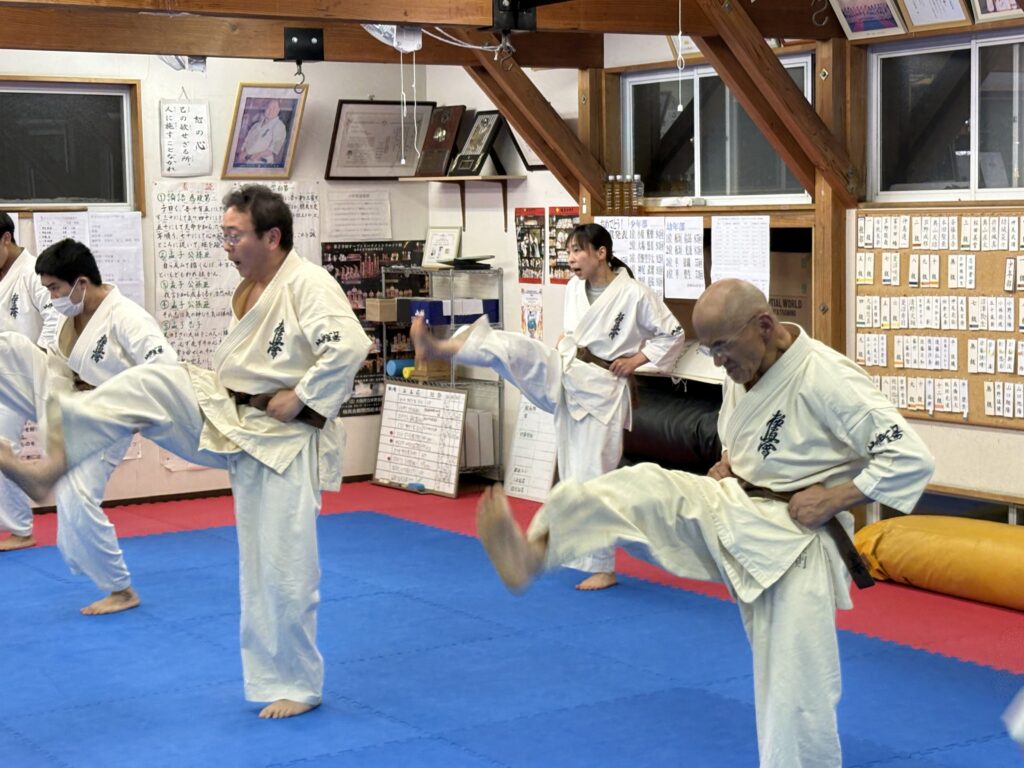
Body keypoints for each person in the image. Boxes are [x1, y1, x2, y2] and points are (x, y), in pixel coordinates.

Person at [474, 278, 936, 768]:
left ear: (764, 325)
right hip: (737, 508)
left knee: (795, 694)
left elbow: (910, 458)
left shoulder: (826, 377)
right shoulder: (746, 363)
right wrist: (732, 463)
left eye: (722, 347)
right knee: (640, 487)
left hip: (799, 545)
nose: (716, 361)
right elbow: (753, 436)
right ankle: (536, 551)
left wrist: (832, 499)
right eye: (709, 348)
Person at [0, 185, 371, 719]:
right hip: (229, 412)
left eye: (234, 236)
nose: (226, 246)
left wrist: (304, 396)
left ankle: (297, 683)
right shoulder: (254, 285)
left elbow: (350, 345)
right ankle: (50, 467)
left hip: (282, 440)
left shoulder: (308, 283)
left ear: (272, 236)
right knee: (149, 381)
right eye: (224, 235)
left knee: (278, 566)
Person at [413, 222, 685, 590]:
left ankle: (601, 566)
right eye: (568, 251)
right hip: (568, 370)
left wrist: (636, 360)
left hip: (603, 390)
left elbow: (673, 333)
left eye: (578, 250)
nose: (571, 259)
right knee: (519, 349)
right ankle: (442, 348)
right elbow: (575, 332)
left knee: (588, 480)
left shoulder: (634, 294)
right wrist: (566, 341)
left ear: (601, 253)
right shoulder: (574, 288)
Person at [0, 239, 177, 613]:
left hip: (109, 415)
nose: (52, 298)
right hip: (68, 402)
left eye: (55, 289)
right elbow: (56, 364)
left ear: (81, 282)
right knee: (10, 345)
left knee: (75, 497)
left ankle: (121, 590)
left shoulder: (127, 318)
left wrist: (125, 404)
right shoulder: (71, 315)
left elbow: (165, 370)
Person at [0, 212, 59, 551]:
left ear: (6, 239)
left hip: (27, 375)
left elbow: (55, 316)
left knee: (2, 446)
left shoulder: (33, 273)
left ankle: (21, 530)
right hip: (3, 372)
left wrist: (38, 355)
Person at [236, 99, 287, 166]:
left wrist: (258, 155)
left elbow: (274, 149)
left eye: (274, 108)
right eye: (268, 107)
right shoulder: (256, 125)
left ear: (278, 110)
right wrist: (242, 152)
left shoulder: (280, 126)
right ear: (265, 109)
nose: (270, 111)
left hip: (262, 163)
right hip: (246, 161)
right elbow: (246, 141)